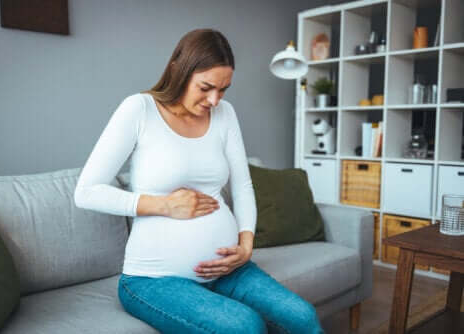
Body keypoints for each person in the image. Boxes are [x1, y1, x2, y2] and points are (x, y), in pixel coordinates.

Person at [74, 28, 323, 334]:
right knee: (245, 327)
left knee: (303, 317)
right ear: (179, 70)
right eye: (206, 87)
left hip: (229, 269)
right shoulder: (138, 109)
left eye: (223, 89)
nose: (214, 100)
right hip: (153, 279)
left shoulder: (225, 114)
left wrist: (246, 245)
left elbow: (243, 186)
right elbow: (86, 192)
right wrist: (163, 205)